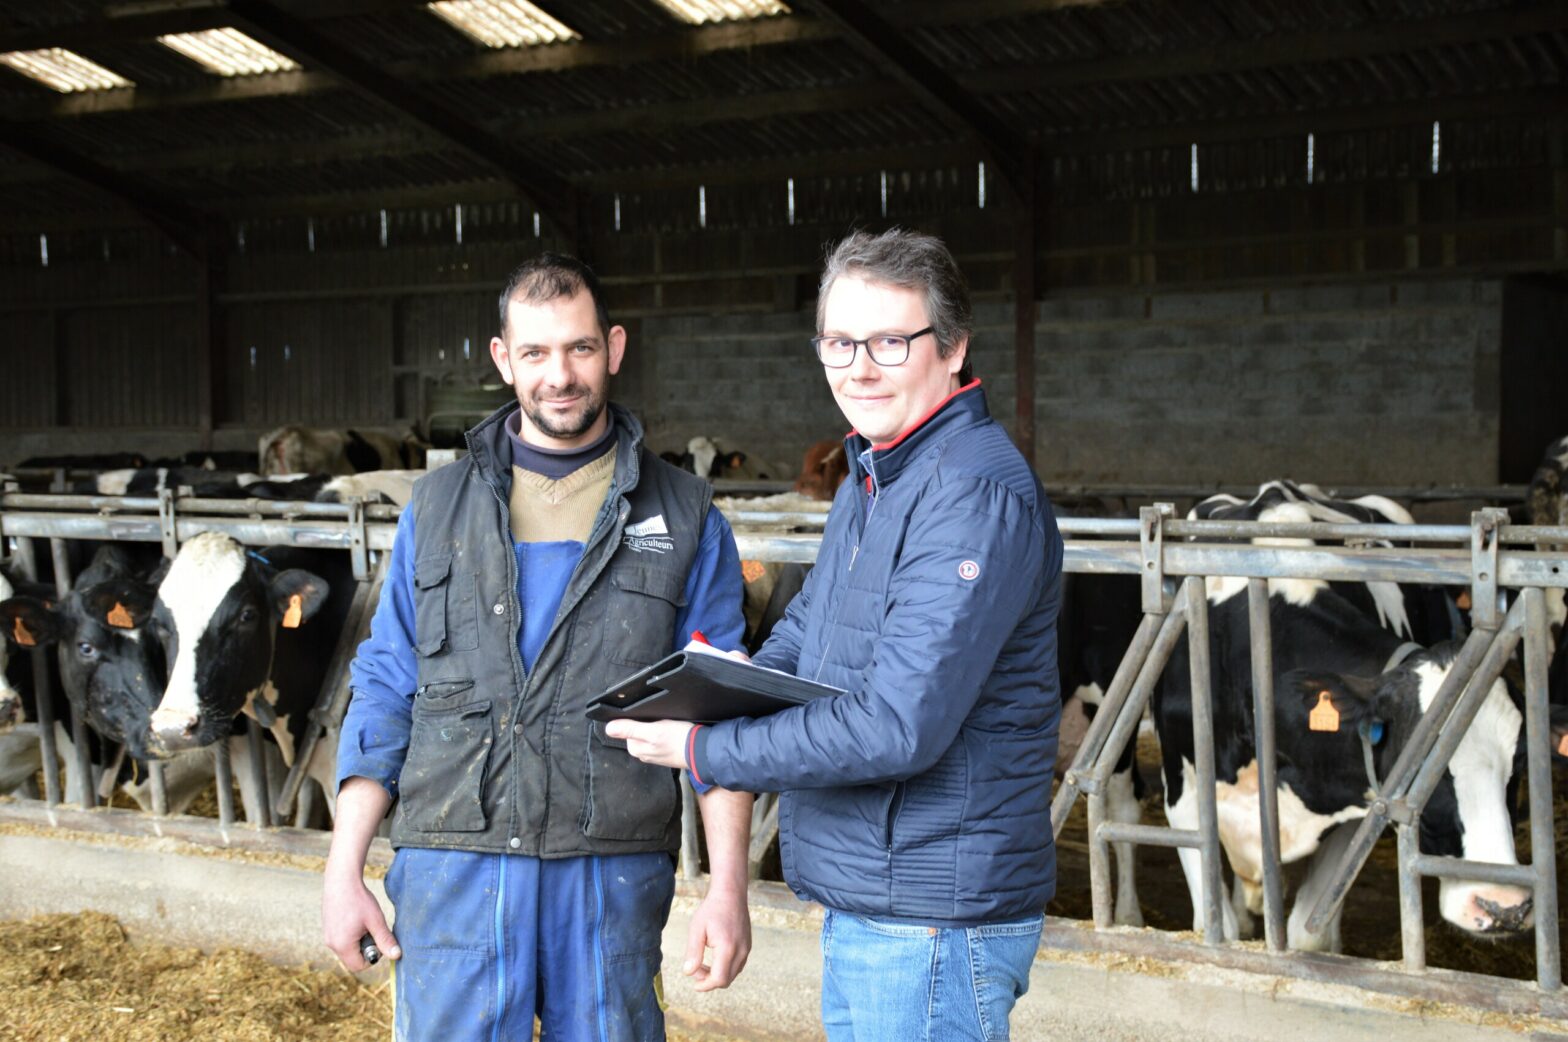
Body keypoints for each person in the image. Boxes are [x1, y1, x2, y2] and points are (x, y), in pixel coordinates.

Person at [609, 229, 1064, 1042]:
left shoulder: (969, 494)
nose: (859, 366)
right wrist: (717, 680)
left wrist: (704, 751)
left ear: (953, 347)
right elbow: (806, 638)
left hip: (931, 913)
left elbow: (898, 726)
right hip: (880, 898)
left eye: (891, 340)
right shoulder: (875, 474)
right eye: (839, 341)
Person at [322, 253, 754, 1042]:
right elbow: (387, 684)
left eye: (580, 349)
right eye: (536, 353)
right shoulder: (437, 508)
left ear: (613, 348)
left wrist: (729, 886)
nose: (561, 375)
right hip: (454, 855)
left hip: (607, 859)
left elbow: (718, 712)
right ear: (503, 359)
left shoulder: (687, 515)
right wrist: (342, 867)